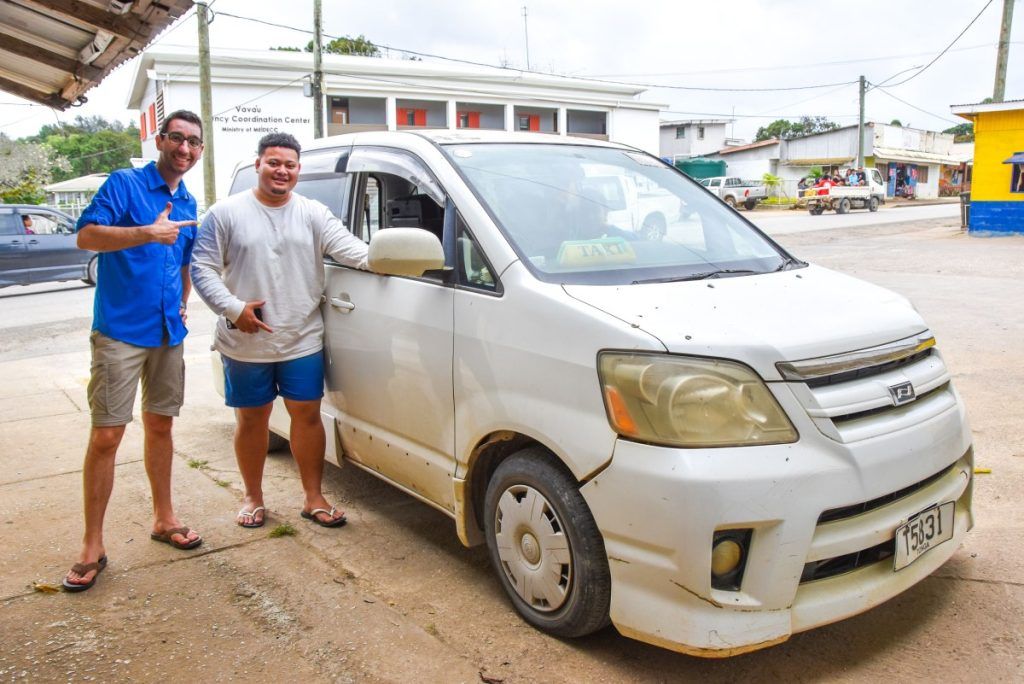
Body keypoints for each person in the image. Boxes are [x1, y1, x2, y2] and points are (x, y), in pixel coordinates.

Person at [191, 132, 369, 530]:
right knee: (252, 421)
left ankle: (313, 498)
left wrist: (394, 258)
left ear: (298, 170)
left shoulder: (313, 213)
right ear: (258, 164)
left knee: (307, 417)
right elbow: (200, 268)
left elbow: (352, 250)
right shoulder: (225, 213)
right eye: (274, 162)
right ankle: (253, 497)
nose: (281, 171)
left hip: (301, 337)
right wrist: (233, 309)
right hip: (245, 341)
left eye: (289, 165)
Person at [63, 110, 205, 592]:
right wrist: (146, 231)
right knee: (106, 436)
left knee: (161, 425)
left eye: (194, 143)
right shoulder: (125, 184)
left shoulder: (186, 199)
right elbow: (86, 236)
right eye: (178, 139)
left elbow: (184, 261)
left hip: (168, 333)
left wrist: (183, 303)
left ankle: (164, 519)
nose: (185, 149)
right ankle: (92, 544)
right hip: (120, 332)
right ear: (161, 141)